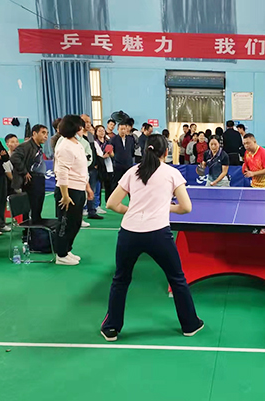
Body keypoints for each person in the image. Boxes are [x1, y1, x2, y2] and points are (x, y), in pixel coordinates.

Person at [100, 134, 204, 341]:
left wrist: (132, 210)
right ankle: (190, 325)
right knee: (177, 279)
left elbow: (111, 203)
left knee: (120, 280)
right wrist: (166, 207)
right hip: (158, 234)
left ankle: (111, 328)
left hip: (129, 233)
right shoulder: (172, 173)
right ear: (165, 152)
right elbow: (186, 207)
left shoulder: (132, 172)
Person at [53, 115, 95, 266]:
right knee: (65, 223)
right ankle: (61, 254)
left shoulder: (77, 144)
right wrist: (65, 195)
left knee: (75, 223)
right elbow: (62, 172)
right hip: (68, 190)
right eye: (80, 126)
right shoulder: (64, 146)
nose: (83, 128)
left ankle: (67, 249)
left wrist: (87, 188)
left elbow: (82, 170)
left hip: (78, 188)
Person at [10, 124, 49, 222]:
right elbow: (14, 157)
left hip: (40, 178)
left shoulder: (38, 147)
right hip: (31, 179)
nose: (46, 136)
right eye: (43, 133)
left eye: (47, 133)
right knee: (31, 205)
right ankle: (28, 227)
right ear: (34, 133)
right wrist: (24, 172)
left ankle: (37, 224)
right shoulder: (26, 146)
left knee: (39, 203)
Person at [93, 125, 115, 210]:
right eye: (99, 131)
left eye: (103, 130)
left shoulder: (108, 142)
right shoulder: (95, 143)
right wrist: (103, 157)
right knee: (98, 187)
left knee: (108, 186)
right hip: (99, 166)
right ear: (96, 132)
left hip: (108, 166)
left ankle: (108, 203)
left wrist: (110, 153)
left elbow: (113, 155)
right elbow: (96, 155)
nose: (102, 132)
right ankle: (97, 205)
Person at [111, 118, 136, 188]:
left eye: (124, 129)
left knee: (130, 184)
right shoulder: (113, 139)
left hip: (128, 165)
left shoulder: (131, 139)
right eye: (121, 129)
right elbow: (112, 152)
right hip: (118, 166)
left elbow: (132, 151)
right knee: (116, 184)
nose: (123, 131)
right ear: (117, 129)